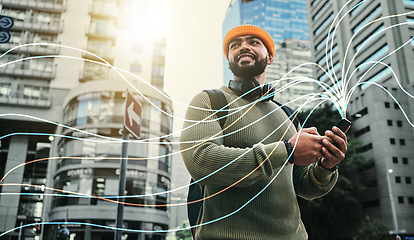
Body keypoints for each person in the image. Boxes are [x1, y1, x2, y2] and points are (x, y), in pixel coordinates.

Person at [180, 25, 348, 240]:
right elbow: (201, 162)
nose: (243, 47)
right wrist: (287, 151)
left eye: (253, 42)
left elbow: (303, 187)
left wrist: (326, 165)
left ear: (269, 58)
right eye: (235, 45)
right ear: (229, 59)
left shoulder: (287, 115)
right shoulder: (210, 101)